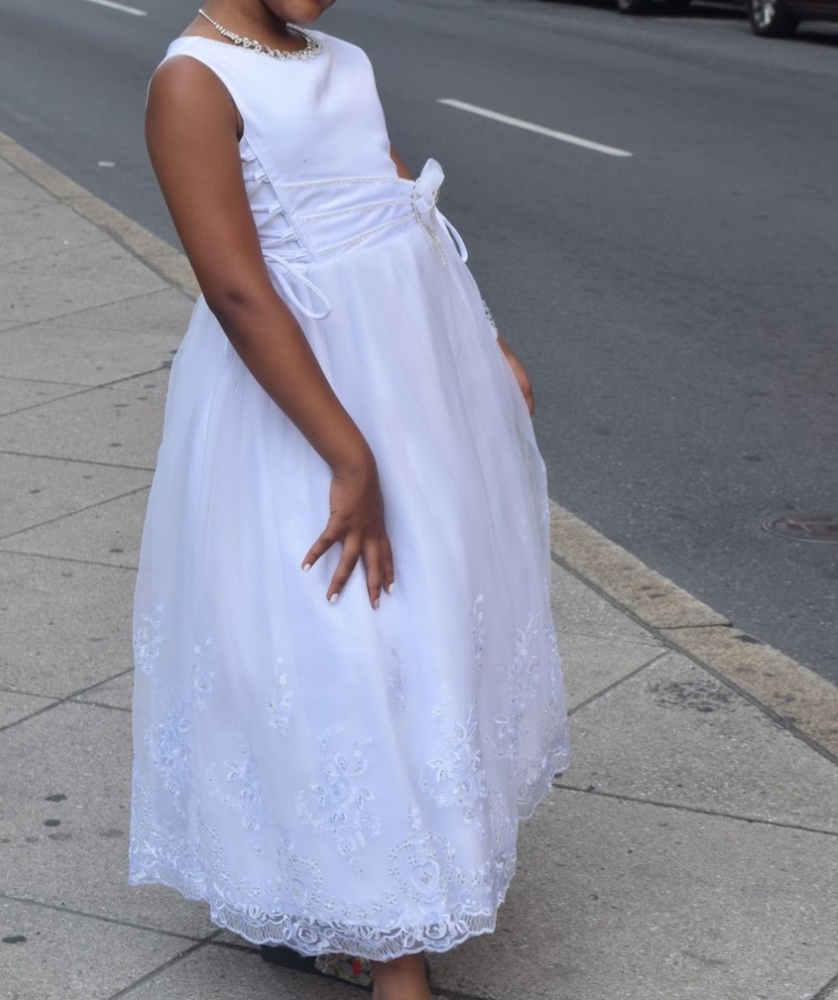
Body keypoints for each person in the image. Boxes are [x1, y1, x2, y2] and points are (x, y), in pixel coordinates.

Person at [128, 3, 570, 998]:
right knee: (340, 636)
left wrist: (482, 337)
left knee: (424, 623)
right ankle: (394, 954)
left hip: (411, 375)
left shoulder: (342, 58)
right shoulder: (194, 82)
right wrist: (347, 455)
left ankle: (393, 896)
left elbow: (398, 201)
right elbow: (237, 288)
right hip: (298, 393)